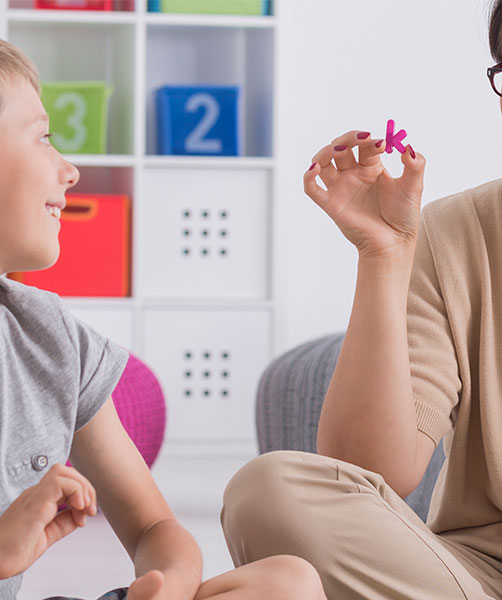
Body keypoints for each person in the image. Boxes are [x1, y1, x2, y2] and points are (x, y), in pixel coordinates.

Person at [220, 1, 502, 598]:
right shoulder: (452, 234)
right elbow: (369, 475)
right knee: (267, 491)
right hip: (479, 584)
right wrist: (384, 254)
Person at [0, 39, 326, 600]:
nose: (70, 170)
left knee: (286, 582)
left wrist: (168, 585)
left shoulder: (49, 338)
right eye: (43, 138)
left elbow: (155, 527)